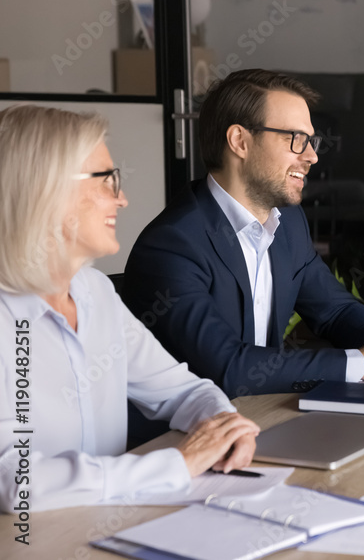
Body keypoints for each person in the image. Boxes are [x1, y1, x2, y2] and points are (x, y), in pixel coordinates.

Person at [0, 105, 259, 512]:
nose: (122, 199)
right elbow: (17, 482)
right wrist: (179, 463)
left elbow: (181, 391)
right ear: (45, 189)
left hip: (106, 526)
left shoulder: (96, 292)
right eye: (107, 180)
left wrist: (225, 426)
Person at [123, 70, 364, 399]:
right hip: (186, 438)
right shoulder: (172, 245)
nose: (312, 157)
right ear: (240, 142)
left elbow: (335, 311)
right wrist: (361, 363)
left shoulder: (287, 222)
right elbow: (226, 368)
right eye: (295, 140)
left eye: (311, 141)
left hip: (260, 415)